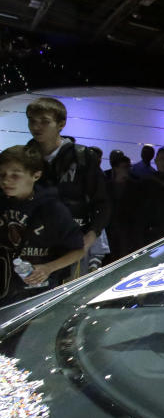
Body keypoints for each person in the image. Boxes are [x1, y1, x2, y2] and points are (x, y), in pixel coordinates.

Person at [24, 97, 110, 273]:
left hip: (72, 243)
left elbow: (103, 201)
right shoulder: (24, 157)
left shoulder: (82, 157)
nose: (36, 127)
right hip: (34, 245)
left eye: (44, 122)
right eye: (31, 121)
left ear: (61, 124)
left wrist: (91, 235)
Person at [0, 146, 84, 306]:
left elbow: (78, 249)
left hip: (35, 292)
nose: (5, 181)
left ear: (36, 175)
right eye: (2, 175)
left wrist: (48, 268)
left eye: (15, 175)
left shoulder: (52, 209)